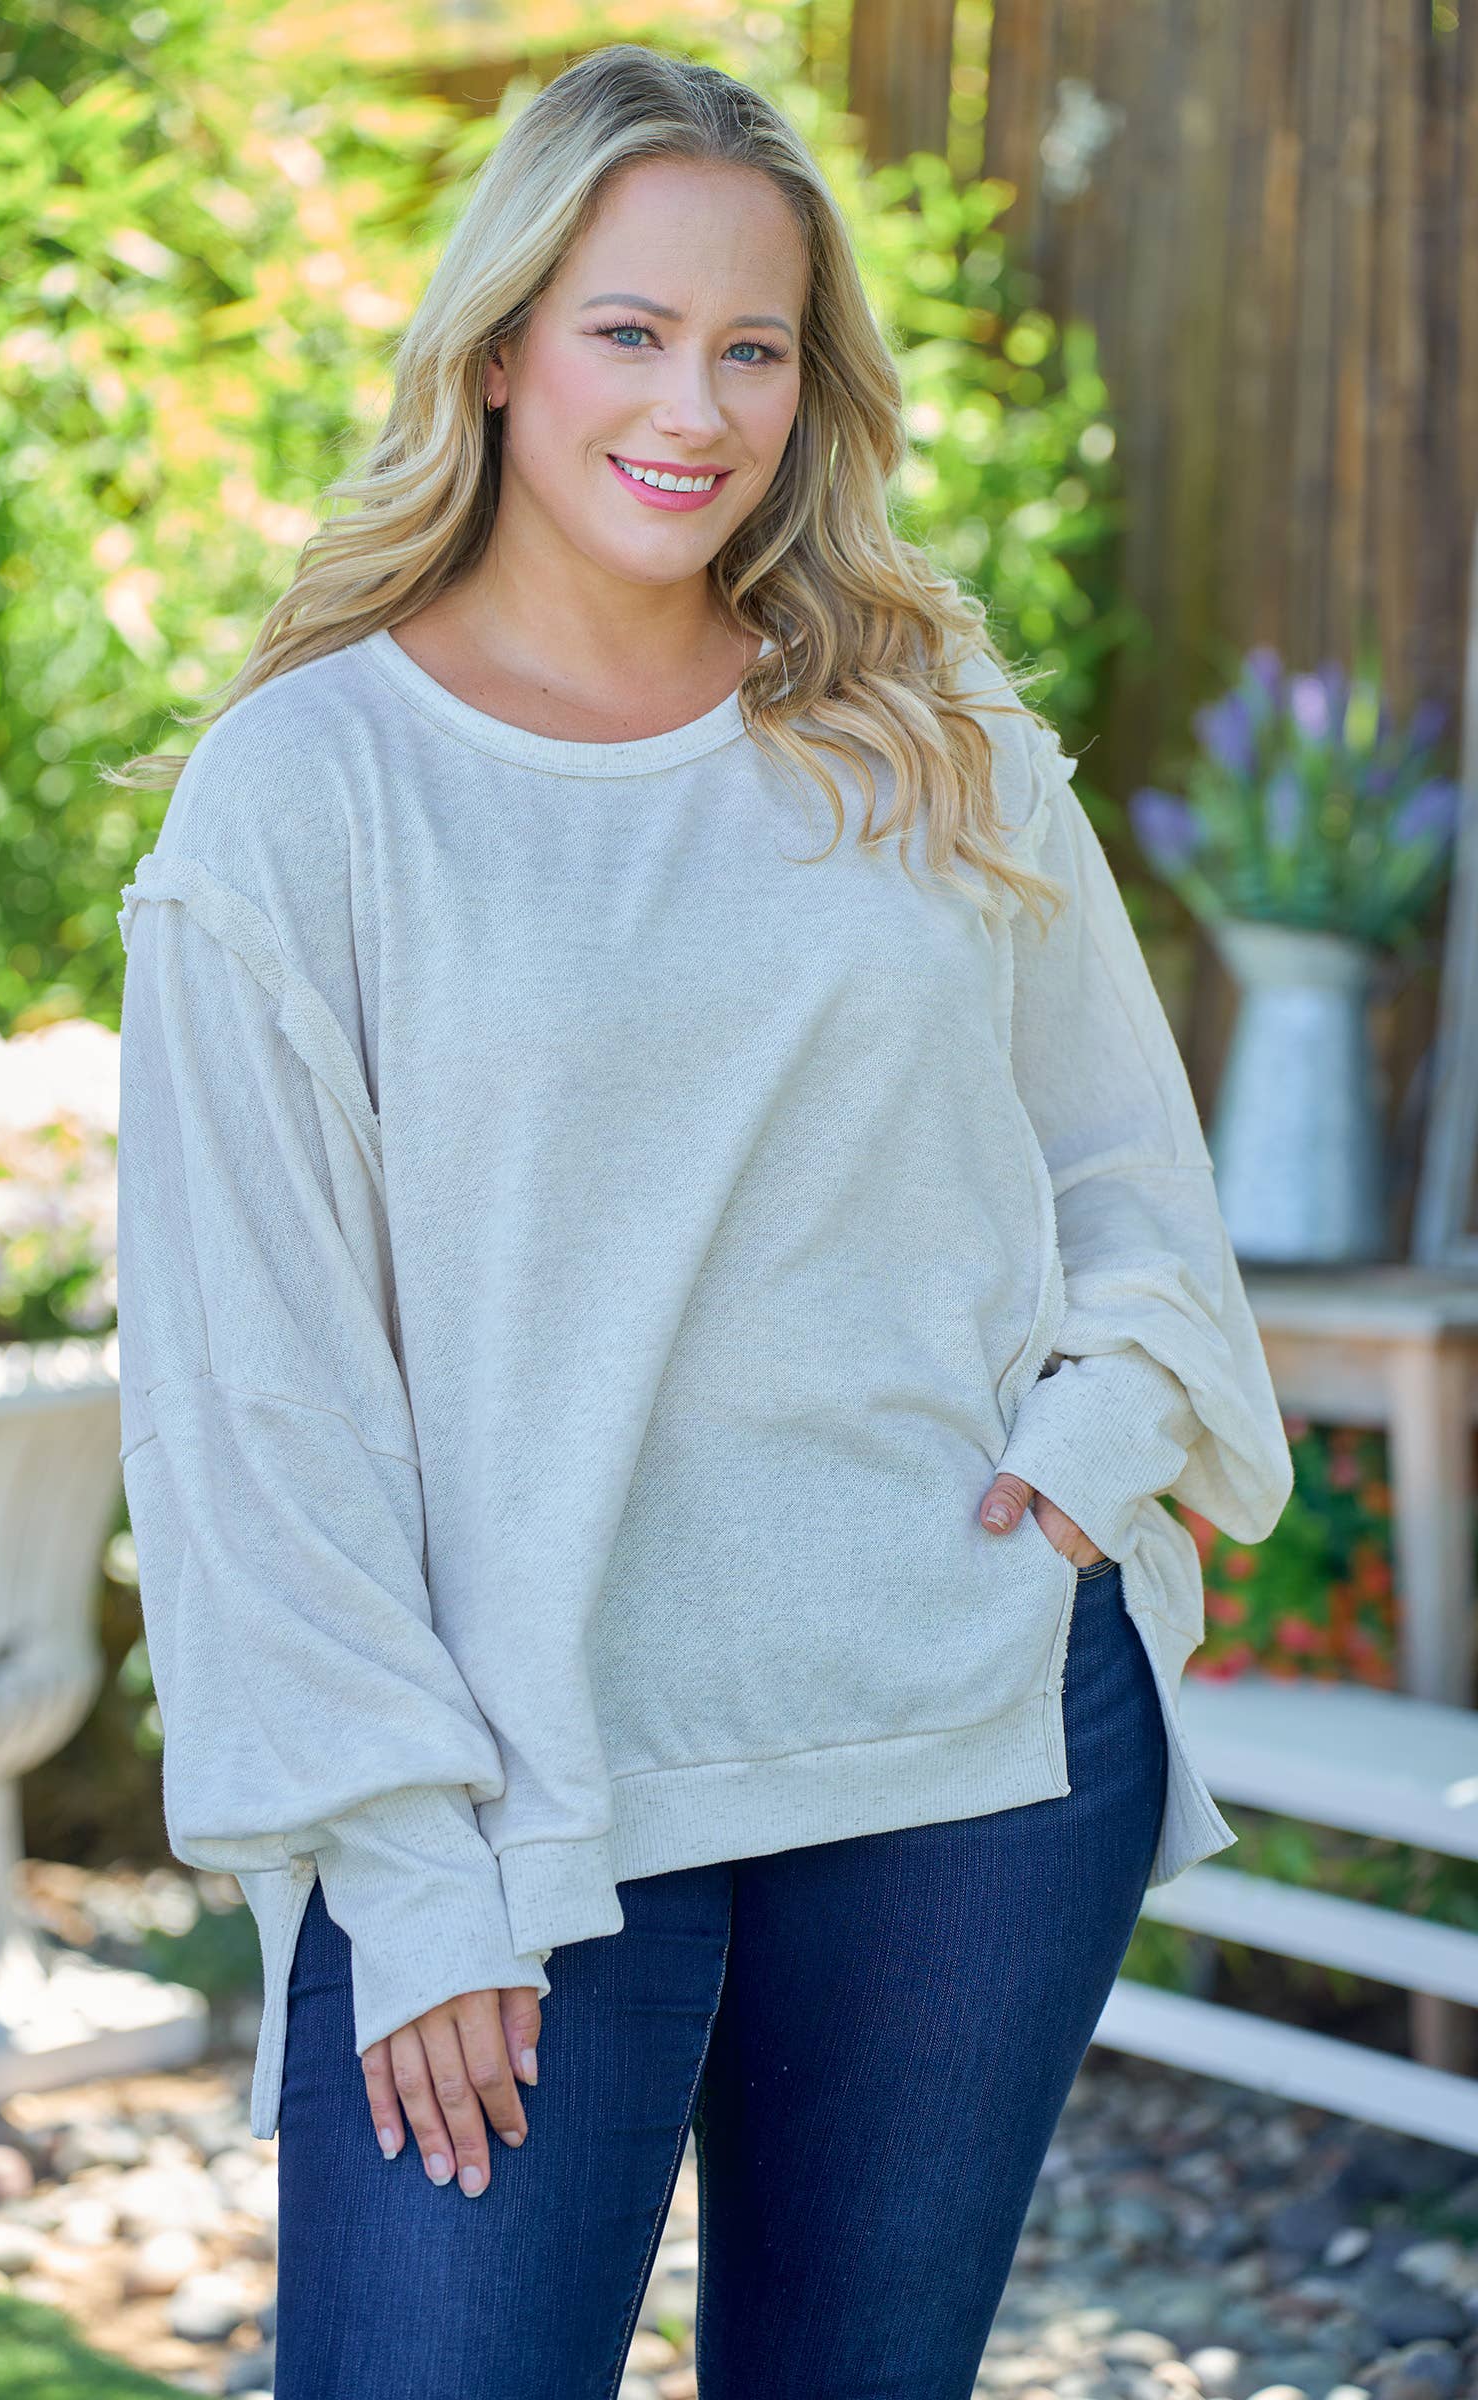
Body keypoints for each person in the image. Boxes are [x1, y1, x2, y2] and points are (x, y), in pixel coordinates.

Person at [108, 42, 1294, 2400]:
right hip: (517, 1806)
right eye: (629, 332)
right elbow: (253, 1391)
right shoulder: (307, 794)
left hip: (963, 1748)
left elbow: (1124, 1172)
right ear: (498, 350)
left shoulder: (922, 721)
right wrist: (402, 1861)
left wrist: (1092, 1450)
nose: (693, 407)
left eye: (751, 347)